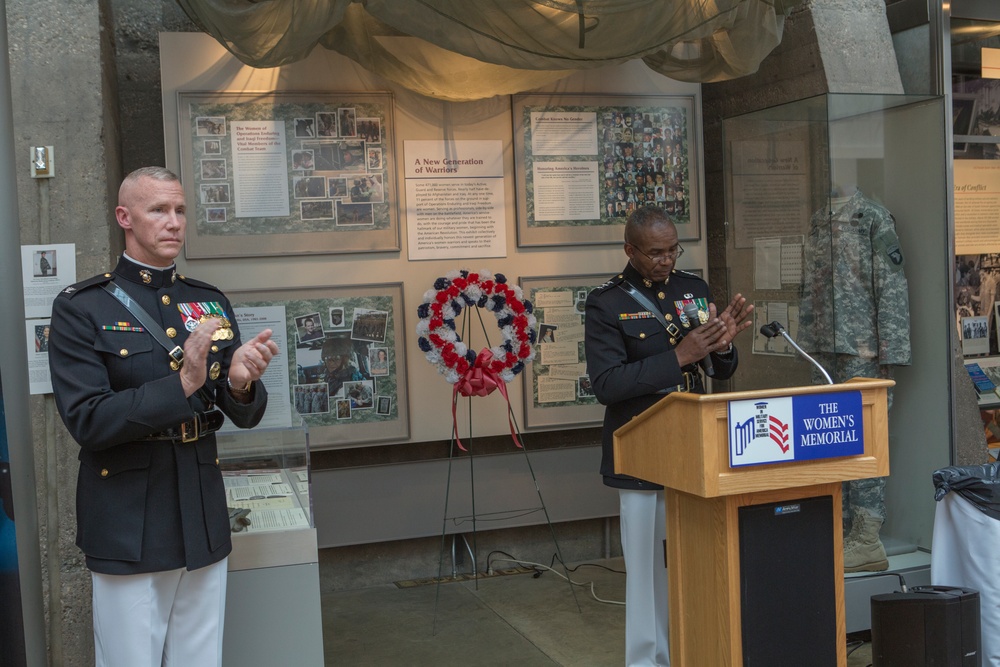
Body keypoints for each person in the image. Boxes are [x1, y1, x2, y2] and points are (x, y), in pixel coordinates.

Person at [48, 166, 280, 667]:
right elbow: (89, 420)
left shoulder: (207, 301)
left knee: (201, 659)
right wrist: (182, 384)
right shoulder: (80, 309)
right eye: (159, 210)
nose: (174, 222)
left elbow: (241, 409)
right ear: (124, 217)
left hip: (199, 510)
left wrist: (240, 380)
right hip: (128, 520)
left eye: (180, 210)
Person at [584, 205, 752, 666]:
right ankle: (647, 660)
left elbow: (719, 369)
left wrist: (724, 345)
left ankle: (697, 650)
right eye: (655, 253)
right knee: (646, 575)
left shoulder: (692, 289)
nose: (666, 260)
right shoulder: (606, 302)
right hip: (642, 452)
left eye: (673, 249)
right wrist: (678, 357)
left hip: (696, 448)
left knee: (696, 564)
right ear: (630, 250)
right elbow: (607, 385)